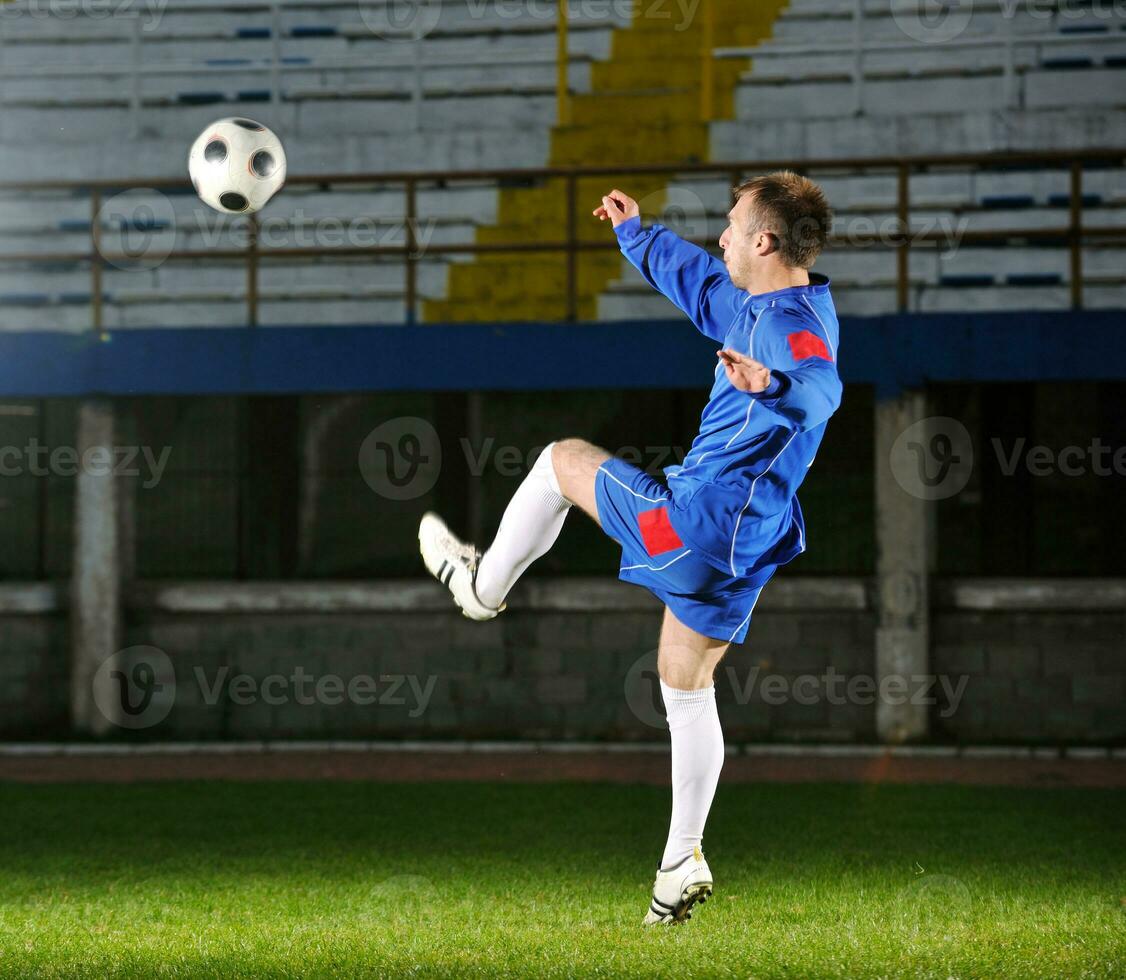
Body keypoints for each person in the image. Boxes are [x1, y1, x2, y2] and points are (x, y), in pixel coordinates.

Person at [419, 171, 840, 925]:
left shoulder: (790, 332)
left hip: (697, 524)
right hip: (748, 541)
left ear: (765, 240)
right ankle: (680, 865)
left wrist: (772, 383)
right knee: (685, 684)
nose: (722, 236)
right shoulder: (768, 302)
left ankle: (480, 589)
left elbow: (819, 388)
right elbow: (703, 289)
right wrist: (637, 234)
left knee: (560, 462)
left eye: (732, 226)